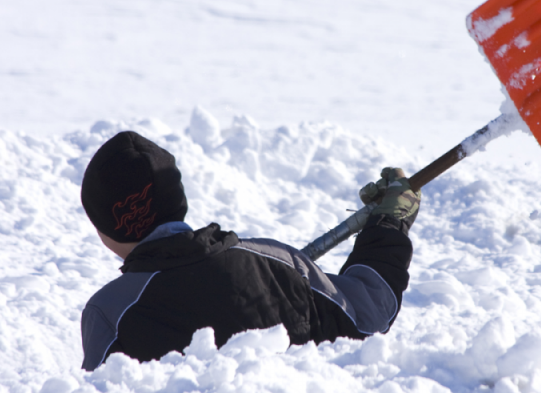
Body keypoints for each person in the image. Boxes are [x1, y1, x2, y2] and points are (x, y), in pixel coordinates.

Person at [79, 131, 420, 371]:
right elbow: (369, 312)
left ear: (105, 227)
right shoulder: (279, 264)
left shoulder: (109, 313)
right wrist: (390, 222)